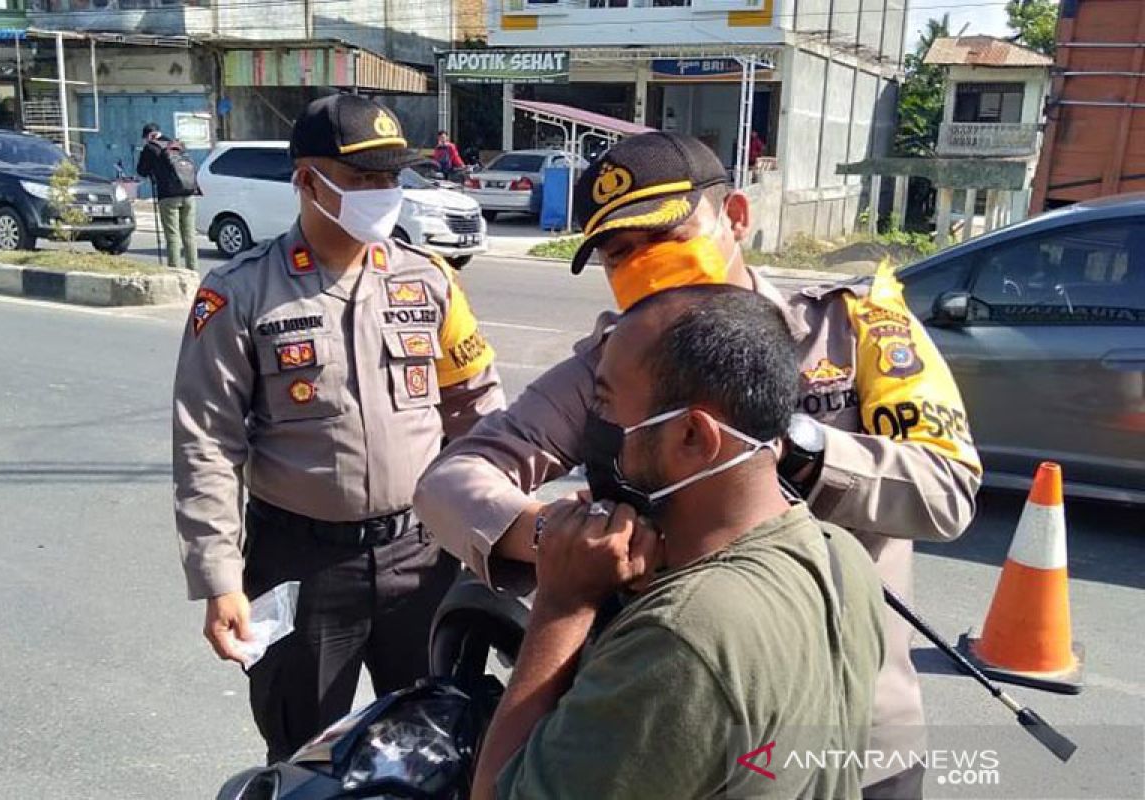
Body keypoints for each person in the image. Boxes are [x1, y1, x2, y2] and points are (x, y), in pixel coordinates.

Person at [414, 131, 982, 798]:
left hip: (855, 723)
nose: (642, 264)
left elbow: (948, 491)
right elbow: (453, 479)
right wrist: (561, 542)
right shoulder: (615, 362)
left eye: (662, 235)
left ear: (734, 216)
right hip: (678, 716)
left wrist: (797, 449)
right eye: (619, 253)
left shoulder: (849, 330)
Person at [172, 93, 505, 763]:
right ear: (307, 181)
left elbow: (477, 407)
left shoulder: (430, 280)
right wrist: (220, 579)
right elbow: (205, 442)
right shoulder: (240, 291)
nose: (382, 194)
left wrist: (495, 526)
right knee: (301, 751)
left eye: (390, 179)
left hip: (422, 557)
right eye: (361, 180)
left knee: (435, 746)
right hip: (301, 566)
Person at [472, 288, 886, 800]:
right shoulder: (842, 556)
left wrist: (562, 606)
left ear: (692, 436)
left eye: (604, 403)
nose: (593, 428)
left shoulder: (682, 637)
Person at [136, 122, 199, 271]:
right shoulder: (176, 145)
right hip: (189, 194)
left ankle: (174, 270)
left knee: (172, 236)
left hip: (169, 196)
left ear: (150, 136)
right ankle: (193, 270)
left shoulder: (151, 148)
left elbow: (141, 171)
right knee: (189, 235)